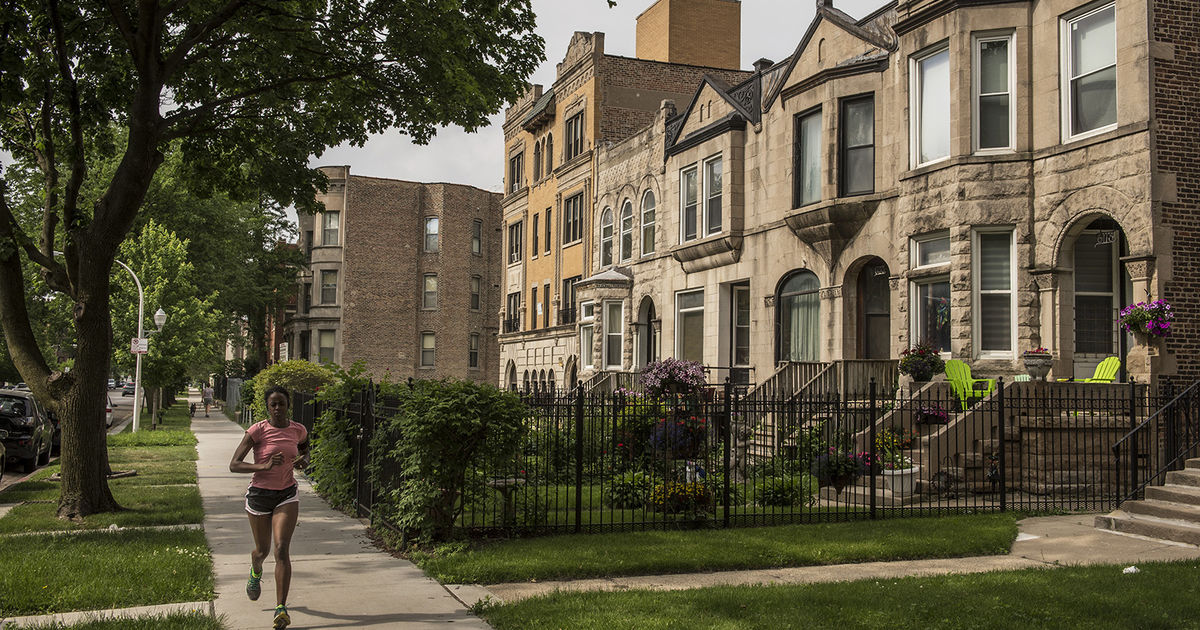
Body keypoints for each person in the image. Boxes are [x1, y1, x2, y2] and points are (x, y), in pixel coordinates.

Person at [229, 385, 309, 629]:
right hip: (259, 496)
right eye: (273, 404)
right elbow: (234, 464)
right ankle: (255, 571)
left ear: (288, 406)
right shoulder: (258, 431)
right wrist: (264, 467)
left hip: (287, 493)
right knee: (262, 551)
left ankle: (280, 608)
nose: (277, 408)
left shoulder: (298, 430)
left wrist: (303, 461)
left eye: (281, 404)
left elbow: (306, 450)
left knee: (281, 549)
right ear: (267, 407)